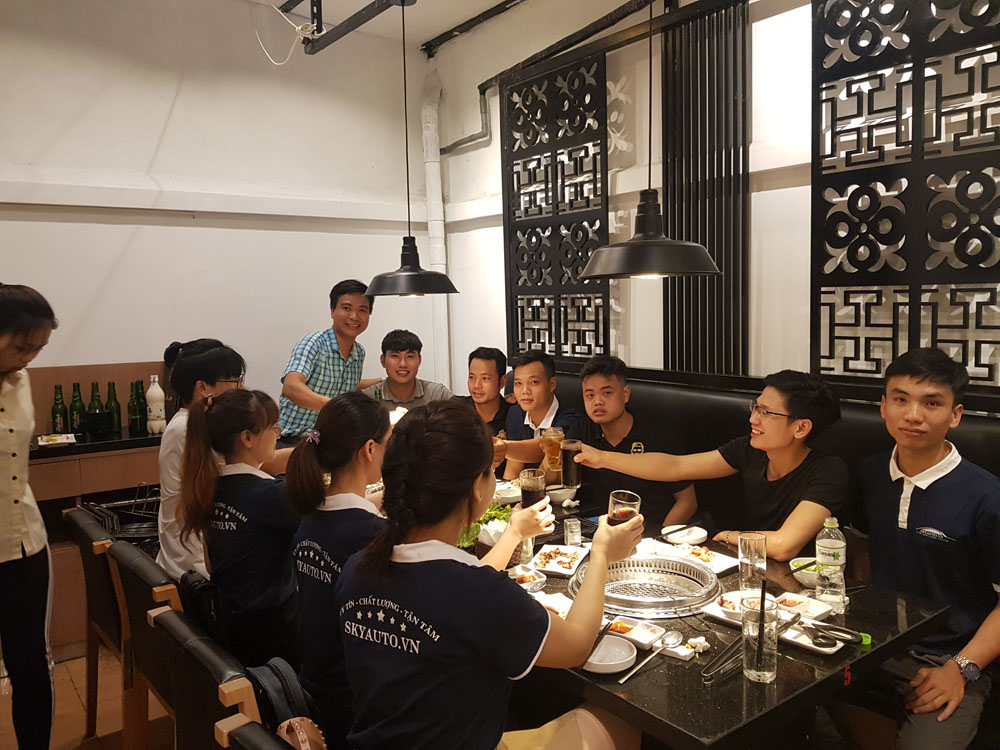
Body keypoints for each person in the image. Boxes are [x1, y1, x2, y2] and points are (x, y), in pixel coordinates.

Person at [335, 401, 642, 750]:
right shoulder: (479, 593)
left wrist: (513, 533)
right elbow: (576, 646)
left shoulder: (357, 568)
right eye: (490, 471)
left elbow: (454, 592)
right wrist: (602, 553)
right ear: (476, 489)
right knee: (621, 722)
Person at [287, 393, 554, 747]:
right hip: (360, 709)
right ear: (370, 450)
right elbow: (456, 593)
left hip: (337, 699)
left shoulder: (315, 518)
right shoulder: (372, 542)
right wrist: (517, 535)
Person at [833, 349, 1000, 750]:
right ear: (883, 407)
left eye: (932, 403)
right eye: (901, 399)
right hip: (872, 646)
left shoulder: (987, 497)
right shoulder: (871, 472)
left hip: (950, 657)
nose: (913, 415)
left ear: (955, 415)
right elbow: (861, 548)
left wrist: (961, 669)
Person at [576, 370, 847, 560]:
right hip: (752, 565)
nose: (753, 419)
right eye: (755, 407)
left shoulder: (828, 471)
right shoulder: (749, 450)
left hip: (808, 590)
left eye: (766, 412)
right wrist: (602, 458)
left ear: (801, 428)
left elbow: (784, 545)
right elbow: (675, 467)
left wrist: (727, 536)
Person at [179, 389, 299, 668]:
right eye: (273, 428)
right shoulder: (271, 495)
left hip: (231, 626)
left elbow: (211, 562)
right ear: (247, 438)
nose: (278, 434)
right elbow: (327, 513)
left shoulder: (208, 487)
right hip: (272, 637)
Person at [0, 283, 57, 750]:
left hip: (23, 543)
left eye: (39, 348)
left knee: (30, 664)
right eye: (22, 346)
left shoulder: (21, 379)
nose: (29, 358)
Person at [157, 339, 246, 579]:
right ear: (203, 388)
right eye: (235, 380)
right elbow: (251, 470)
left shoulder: (195, 423)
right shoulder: (188, 430)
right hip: (195, 567)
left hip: (194, 556)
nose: (242, 388)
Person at [577, 355, 697, 530]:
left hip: (655, 531)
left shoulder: (658, 434)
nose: (597, 401)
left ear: (625, 394)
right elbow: (555, 476)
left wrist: (659, 537)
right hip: (608, 530)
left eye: (607, 393)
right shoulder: (583, 429)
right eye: (589, 395)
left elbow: (687, 502)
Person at [278, 280, 380, 446]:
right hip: (291, 441)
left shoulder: (359, 353)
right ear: (332, 310)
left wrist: (387, 381)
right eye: (346, 308)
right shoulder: (314, 343)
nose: (354, 316)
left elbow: (345, 384)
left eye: (362, 310)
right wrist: (336, 408)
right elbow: (291, 387)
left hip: (324, 442)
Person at [502, 349, 581, 480]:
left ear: (552, 384)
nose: (525, 391)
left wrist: (503, 448)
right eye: (518, 383)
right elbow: (513, 468)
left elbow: (548, 475)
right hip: (526, 489)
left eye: (534, 382)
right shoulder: (515, 413)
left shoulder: (571, 419)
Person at [454, 347, 511, 476]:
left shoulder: (513, 415)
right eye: (471, 377)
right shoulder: (457, 410)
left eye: (485, 378)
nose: (476, 385)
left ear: (502, 382)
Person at [360, 329, 453, 407]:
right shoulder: (367, 399)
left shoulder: (438, 395)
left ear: (419, 360)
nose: (403, 364)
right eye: (395, 356)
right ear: (383, 360)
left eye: (410, 357)